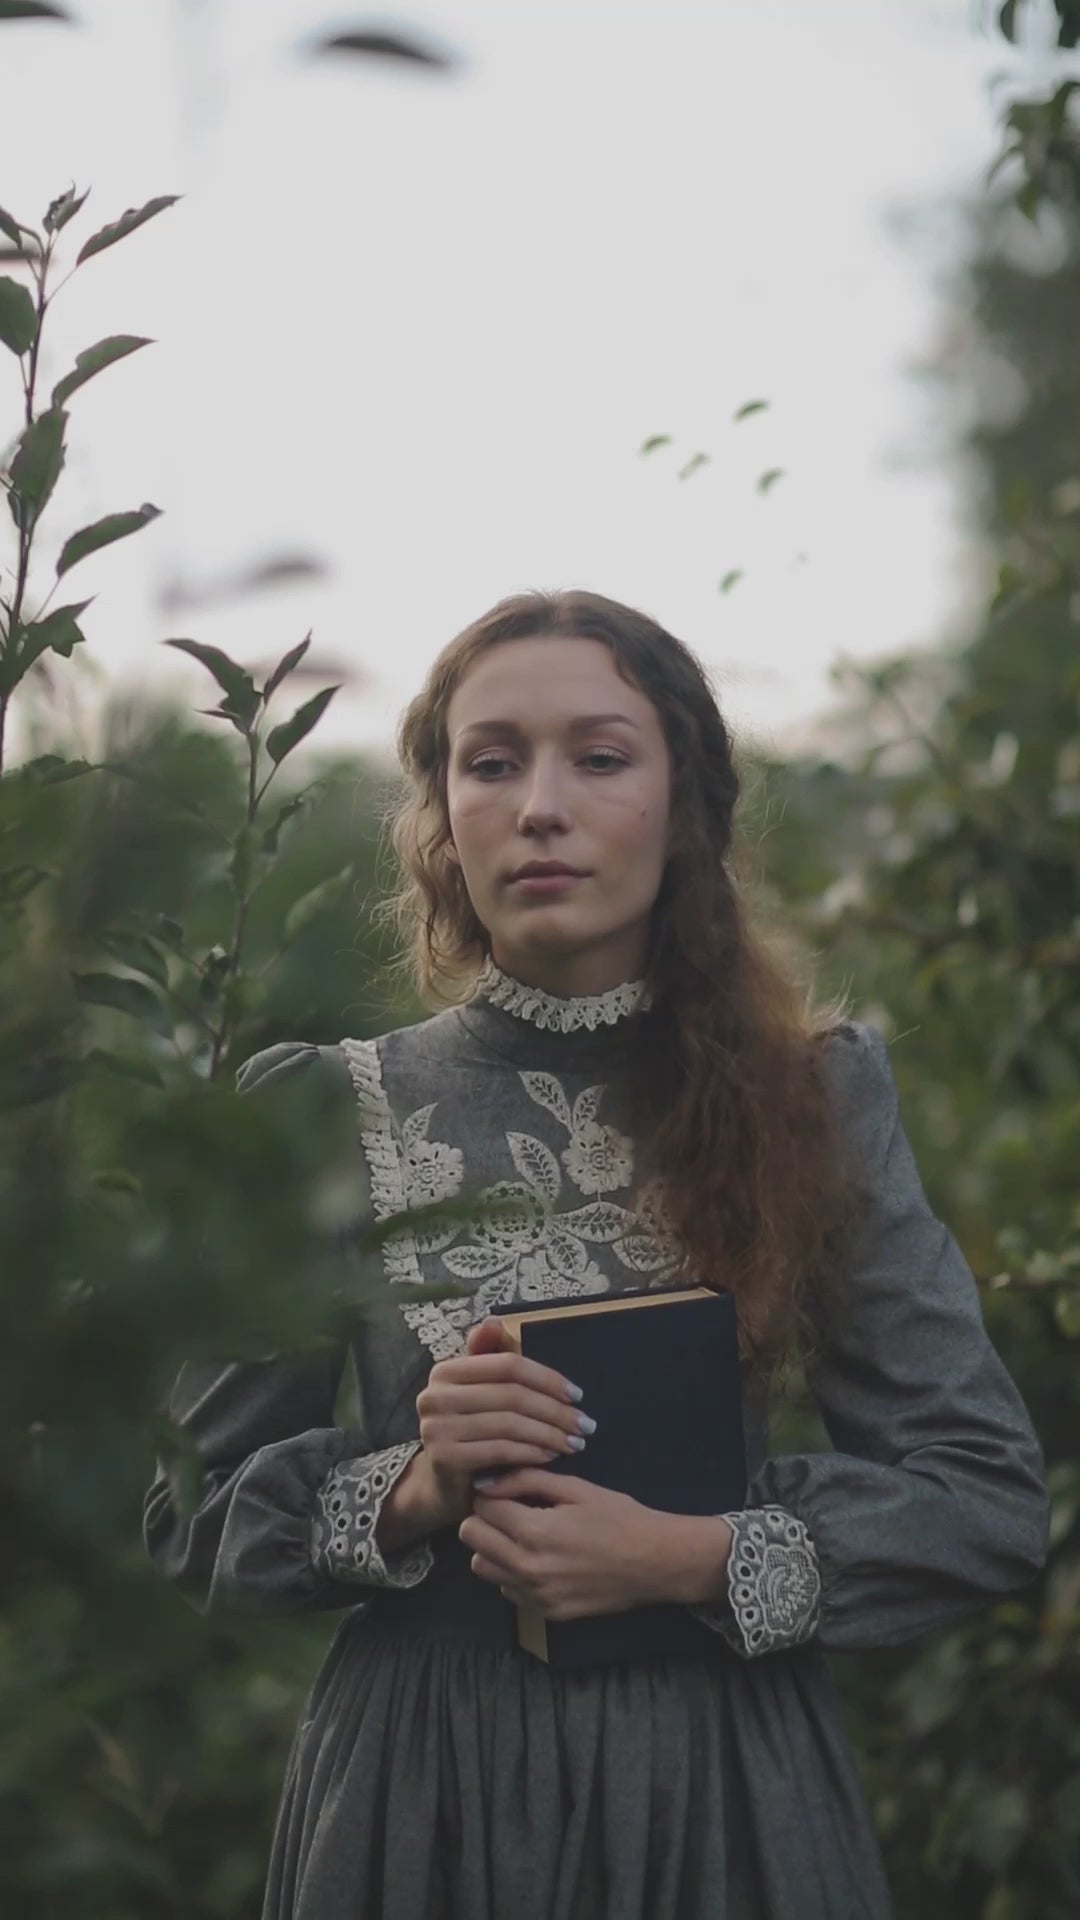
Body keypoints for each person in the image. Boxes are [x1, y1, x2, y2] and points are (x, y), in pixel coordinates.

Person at [144, 589, 1049, 1920]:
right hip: (421, 1795)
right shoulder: (319, 1108)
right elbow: (193, 1511)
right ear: (443, 813)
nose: (540, 805)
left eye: (601, 757)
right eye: (492, 760)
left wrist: (688, 1555)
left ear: (686, 806)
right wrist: (415, 1482)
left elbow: (981, 1498)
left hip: (723, 1794)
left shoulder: (817, 1097)